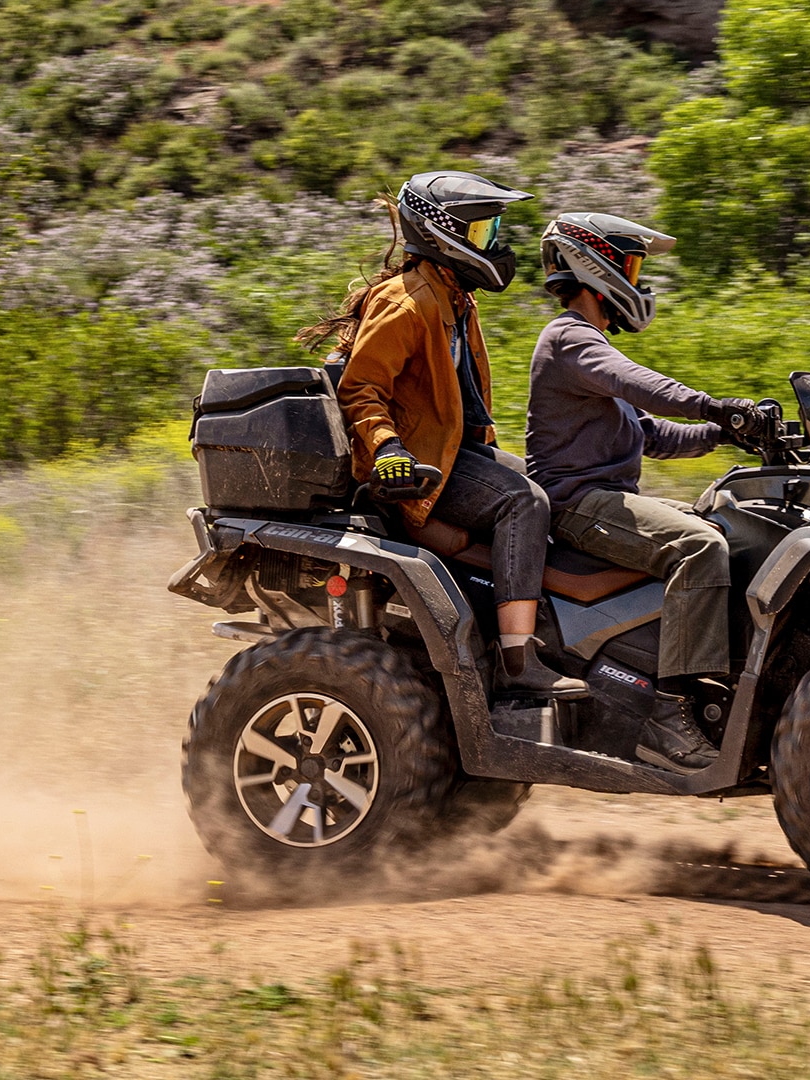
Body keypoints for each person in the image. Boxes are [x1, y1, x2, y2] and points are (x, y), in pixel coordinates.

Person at [305, 170, 585, 699]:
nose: (493, 245)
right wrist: (387, 450)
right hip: (410, 471)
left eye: (492, 231)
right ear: (439, 234)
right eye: (481, 232)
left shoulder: (455, 299)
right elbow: (361, 390)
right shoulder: (408, 300)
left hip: (449, 456)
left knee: (551, 485)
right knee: (524, 502)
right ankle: (518, 661)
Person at [525, 213, 763, 772]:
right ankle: (667, 710)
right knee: (700, 546)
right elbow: (640, 386)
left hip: (602, 499)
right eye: (631, 265)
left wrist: (727, 432)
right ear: (594, 265)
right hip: (578, 505)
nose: (638, 280)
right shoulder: (570, 337)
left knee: (733, 525)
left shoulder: (588, 347)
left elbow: (652, 434)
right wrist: (712, 404)